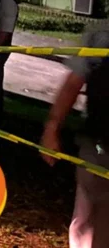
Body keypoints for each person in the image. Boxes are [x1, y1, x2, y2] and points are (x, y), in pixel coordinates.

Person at [41, 25, 109, 248]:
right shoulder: (102, 35)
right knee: (86, 222)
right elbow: (73, 83)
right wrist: (52, 128)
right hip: (98, 144)